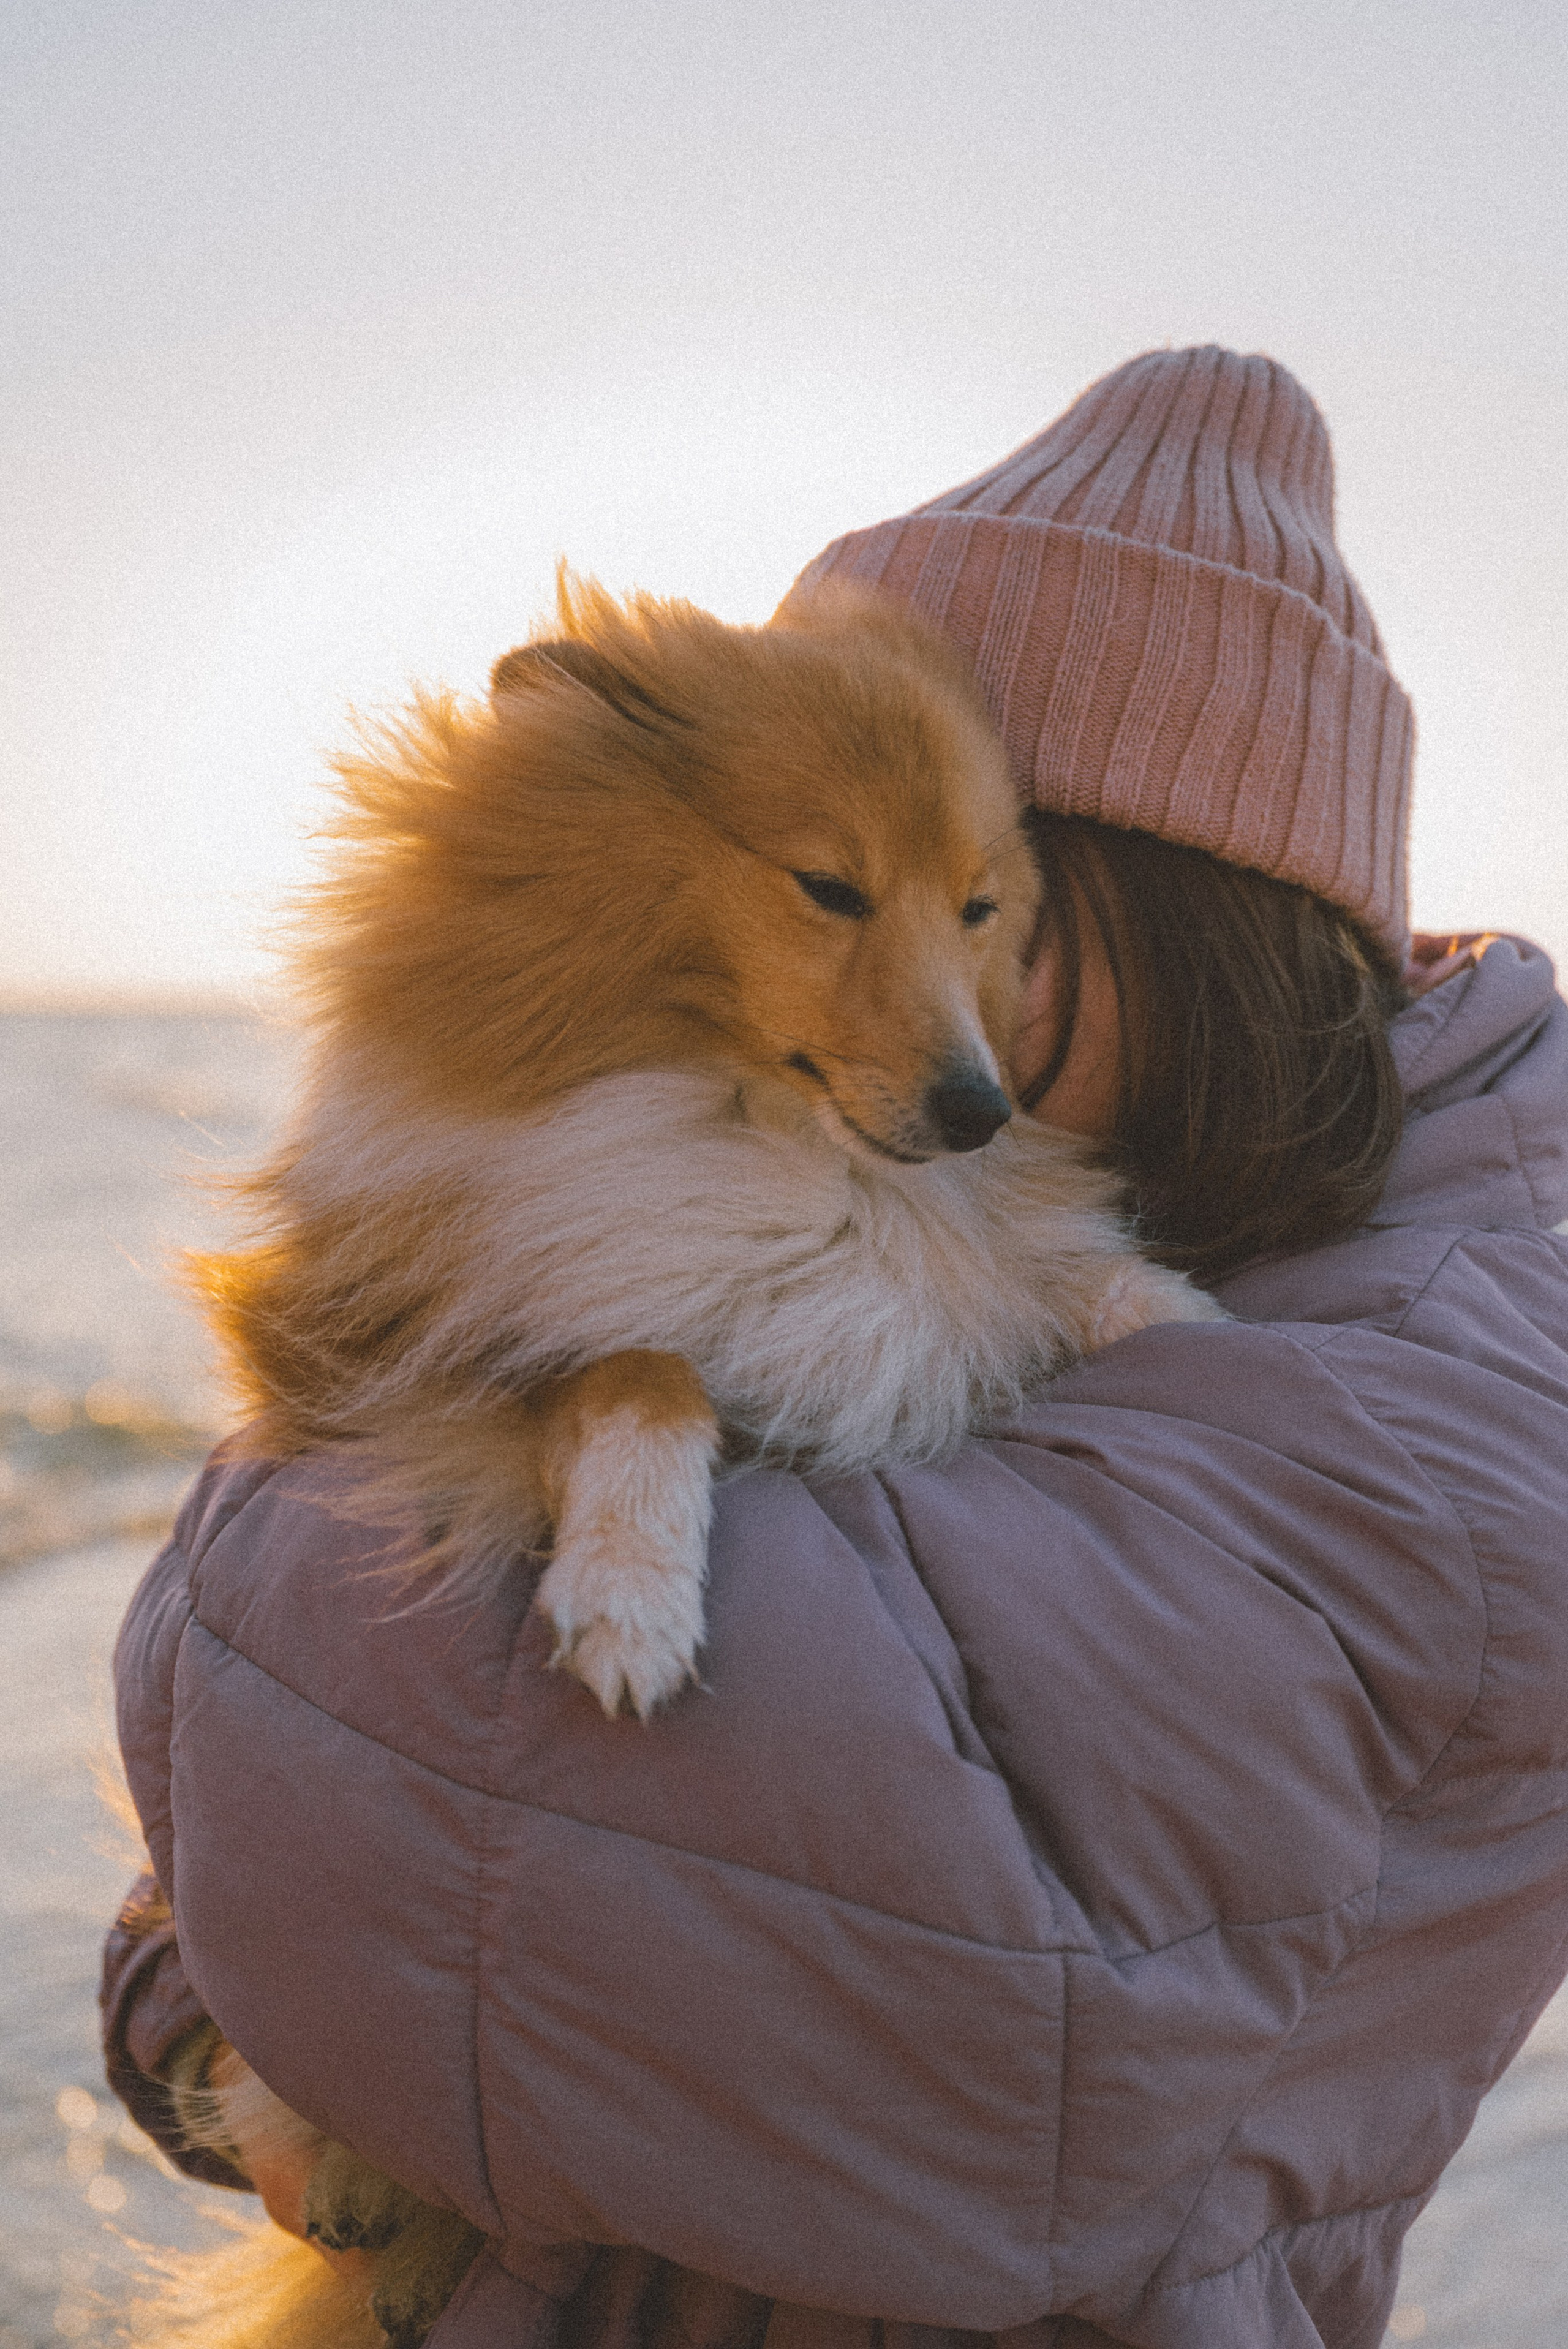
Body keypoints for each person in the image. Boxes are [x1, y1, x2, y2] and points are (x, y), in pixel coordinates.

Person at [104, 346, 1568, 2349]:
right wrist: (199, 1993)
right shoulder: (1002, 1185)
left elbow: (621, 1885)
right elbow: (298, 1896)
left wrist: (254, 1602)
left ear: (1194, 915)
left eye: (991, 908)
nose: (942, 1020)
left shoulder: (1438, 1396)